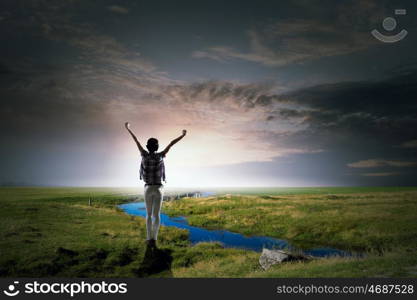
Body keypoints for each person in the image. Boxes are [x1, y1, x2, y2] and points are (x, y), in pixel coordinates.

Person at [125, 122, 187, 247]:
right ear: (157, 147)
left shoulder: (144, 154)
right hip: (159, 188)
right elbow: (171, 144)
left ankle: (149, 239)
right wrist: (183, 135)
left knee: (148, 214)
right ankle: (155, 238)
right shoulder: (161, 156)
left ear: (147, 146)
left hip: (148, 187)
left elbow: (135, 140)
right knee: (156, 214)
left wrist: (128, 128)